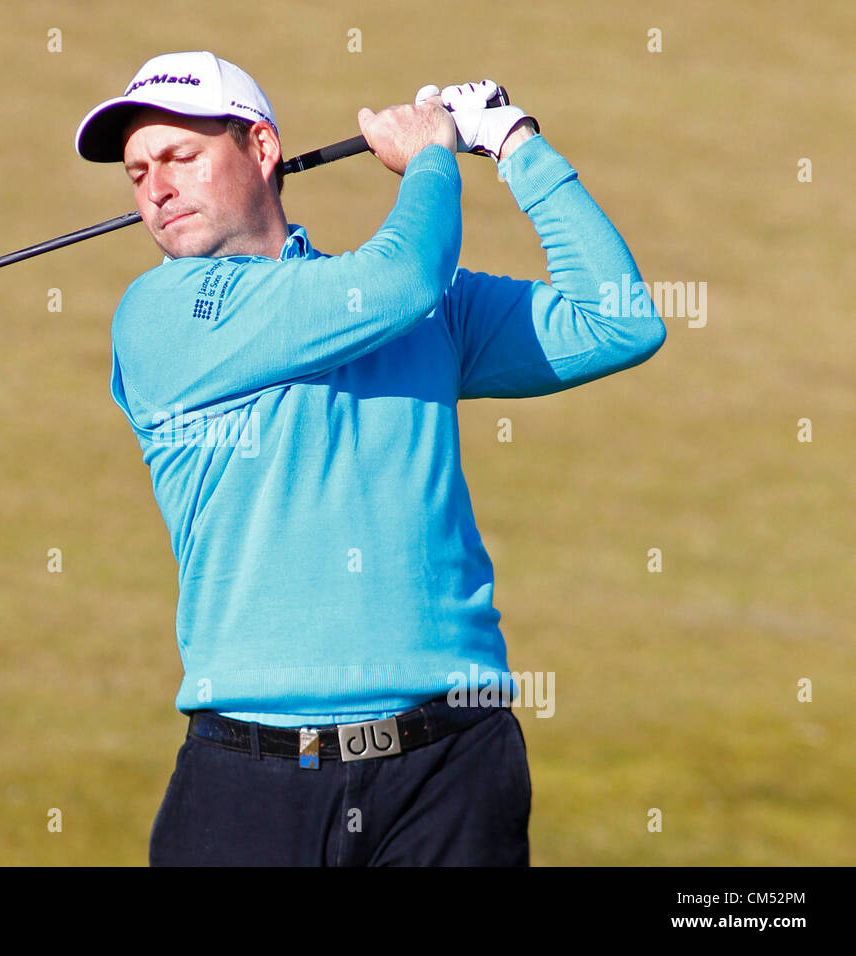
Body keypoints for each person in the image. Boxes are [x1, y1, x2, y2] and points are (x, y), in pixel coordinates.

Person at [74, 51, 665, 865]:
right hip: (250, 779)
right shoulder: (163, 316)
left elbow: (621, 320)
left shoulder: (425, 315)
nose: (156, 189)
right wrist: (429, 154)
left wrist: (517, 145)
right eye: (138, 172)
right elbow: (398, 281)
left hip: (449, 768)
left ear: (262, 147)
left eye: (181, 157)